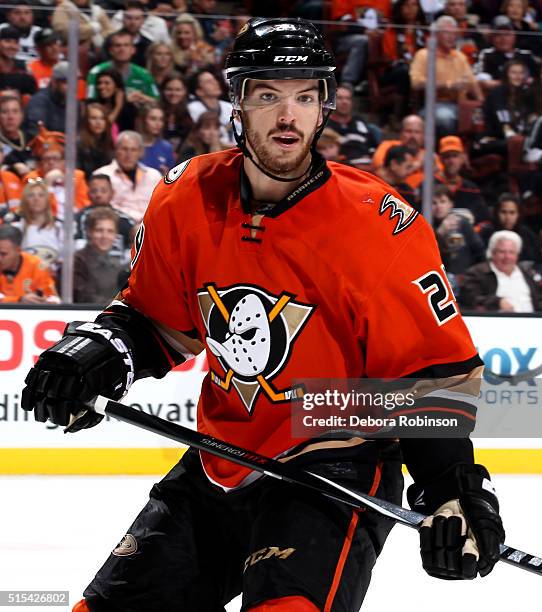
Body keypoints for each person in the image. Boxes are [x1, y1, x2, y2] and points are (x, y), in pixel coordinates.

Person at [21, 17, 504, 612]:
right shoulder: (186, 193)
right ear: (239, 103)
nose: (288, 116)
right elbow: (158, 322)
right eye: (269, 95)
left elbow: (432, 376)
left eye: (305, 97)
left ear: (324, 106)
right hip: (219, 458)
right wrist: (101, 354)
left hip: (333, 466)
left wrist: (453, 488)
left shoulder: (380, 226)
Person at [410, 16, 483, 137]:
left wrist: (482, 104)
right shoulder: (424, 55)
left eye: (454, 34)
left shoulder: (460, 57)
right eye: (446, 33)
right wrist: (448, 85)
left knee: (481, 118)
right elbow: (416, 83)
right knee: (445, 118)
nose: (451, 37)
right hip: (434, 105)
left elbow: (473, 84)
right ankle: (448, 151)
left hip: (461, 104)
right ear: (436, 35)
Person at [461, 229, 542, 311]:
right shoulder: (476, 274)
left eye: (511, 252)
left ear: (517, 255)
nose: (507, 257)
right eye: (502, 252)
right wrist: (497, 302)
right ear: (492, 253)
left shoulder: (528, 273)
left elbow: (539, 301)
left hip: (532, 321)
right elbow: (471, 300)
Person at [93, 130, 162, 223]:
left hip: (150, 225)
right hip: (118, 226)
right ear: (116, 150)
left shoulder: (154, 175)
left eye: (133, 150)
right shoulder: (102, 175)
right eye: (124, 149)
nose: (129, 154)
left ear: (140, 152)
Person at [87, 30, 159, 106]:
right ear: (111, 50)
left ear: (133, 50)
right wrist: (125, 100)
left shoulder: (144, 74)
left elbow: (157, 102)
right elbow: (90, 103)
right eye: (118, 45)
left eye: (126, 45)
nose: (122, 49)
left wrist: (144, 98)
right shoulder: (96, 72)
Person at [74, 173, 135, 263]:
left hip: (119, 267)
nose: (98, 195)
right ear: (88, 193)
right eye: (94, 191)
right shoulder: (80, 218)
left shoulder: (125, 219)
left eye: (103, 191)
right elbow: (79, 246)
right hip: (90, 265)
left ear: (112, 193)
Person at [372, 114, 443, 189]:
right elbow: (378, 166)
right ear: (401, 133)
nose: (413, 136)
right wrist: (417, 165)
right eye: (408, 131)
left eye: (417, 132)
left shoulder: (429, 155)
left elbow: (441, 176)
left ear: (424, 136)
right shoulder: (388, 146)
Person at [474, 16, 541, 93]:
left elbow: (537, 79)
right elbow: (479, 80)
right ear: (492, 38)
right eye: (499, 35)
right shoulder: (487, 54)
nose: (503, 39)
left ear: (514, 36)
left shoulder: (526, 55)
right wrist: (513, 83)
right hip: (497, 98)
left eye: (507, 34)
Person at [431, 184, 485, 277]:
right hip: (438, 278)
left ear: (451, 204)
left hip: (463, 279)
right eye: (434, 203)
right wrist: (439, 233)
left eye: (443, 202)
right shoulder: (426, 226)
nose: (439, 206)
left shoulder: (462, 223)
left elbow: (479, 251)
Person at [434, 135, 490, 223]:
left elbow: (484, 219)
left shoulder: (471, 189)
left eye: (455, 156)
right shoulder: (429, 185)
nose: (451, 161)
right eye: (447, 156)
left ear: (462, 158)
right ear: (441, 159)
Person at [74, 206, 125, 304]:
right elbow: (84, 297)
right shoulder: (78, 261)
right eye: (99, 230)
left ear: (115, 235)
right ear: (89, 232)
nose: (104, 236)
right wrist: (120, 305)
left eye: (110, 231)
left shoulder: (116, 263)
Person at [12, 178, 63, 273]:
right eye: (31, 195)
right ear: (25, 200)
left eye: (41, 195)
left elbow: (65, 259)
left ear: (47, 200)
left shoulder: (59, 228)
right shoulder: (16, 228)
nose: (36, 199)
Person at [0, 223, 59, 303]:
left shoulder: (37, 266)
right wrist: (19, 300)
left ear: (18, 250)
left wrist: (42, 300)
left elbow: (54, 299)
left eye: (3, 254)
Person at [326, 84, 379, 166]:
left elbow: (373, 145)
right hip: (342, 166)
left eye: (348, 98)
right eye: (340, 98)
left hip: (367, 164)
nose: (345, 102)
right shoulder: (325, 124)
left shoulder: (359, 121)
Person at [479, 192, 541, 262]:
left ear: (518, 214)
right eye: (503, 212)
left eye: (512, 213)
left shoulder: (527, 234)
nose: (508, 217)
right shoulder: (486, 233)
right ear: (496, 213)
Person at [24, 61, 72, 136]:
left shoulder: (74, 104)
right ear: (54, 82)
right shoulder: (39, 101)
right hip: (47, 146)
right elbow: (36, 134)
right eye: (66, 82)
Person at [187, 69, 233, 144]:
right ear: (199, 91)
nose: (216, 83)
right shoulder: (192, 108)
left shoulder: (229, 107)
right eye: (209, 82)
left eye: (214, 80)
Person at [90, 67, 137, 135]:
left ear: (117, 87)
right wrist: (118, 107)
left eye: (107, 83)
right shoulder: (93, 105)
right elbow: (103, 128)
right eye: (99, 83)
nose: (101, 87)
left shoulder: (129, 109)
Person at [77, 103, 115, 180]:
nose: (98, 122)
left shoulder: (109, 143)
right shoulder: (79, 145)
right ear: (86, 121)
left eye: (102, 118)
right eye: (93, 118)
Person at [170, 13, 215, 77]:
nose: (182, 36)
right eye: (179, 33)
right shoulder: (169, 50)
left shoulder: (207, 50)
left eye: (186, 33)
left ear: (195, 34)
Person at [376, 144, 419, 209]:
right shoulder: (373, 184)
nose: (410, 172)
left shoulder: (407, 191)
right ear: (394, 164)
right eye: (407, 167)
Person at [0, 94, 33, 178]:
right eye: (4, 112)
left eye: (15, 111)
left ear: (22, 116)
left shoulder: (31, 139)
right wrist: (13, 167)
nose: (10, 117)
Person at [0, 26, 37, 97]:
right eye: (7, 41)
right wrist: (2, 94)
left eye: (16, 42)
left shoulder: (23, 69)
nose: (12, 46)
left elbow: (33, 96)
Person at [138, 102, 174, 174]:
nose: (158, 123)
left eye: (161, 119)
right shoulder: (131, 145)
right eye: (153, 119)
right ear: (142, 120)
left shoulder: (166, 147)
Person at [159, 72, 193, 150]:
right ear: (162, 90)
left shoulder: (191, 111)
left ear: (185, 91)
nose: (173, 93)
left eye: (178, 90)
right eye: (169, 89)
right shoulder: (156, 111)